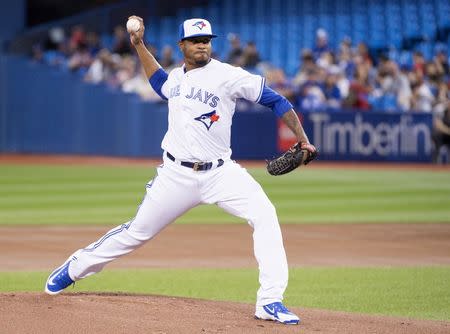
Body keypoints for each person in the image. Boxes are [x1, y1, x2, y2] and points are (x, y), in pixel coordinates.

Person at [44, 16, 317, 326]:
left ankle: (270, 300)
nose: (202, 44)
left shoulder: (229, 76)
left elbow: (276, 100)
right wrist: (138, 45)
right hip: (175, 175)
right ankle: (76, 266)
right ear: (182, 45)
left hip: (220, 173)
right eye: (196, 40)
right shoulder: (176, 78)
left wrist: (303, 139)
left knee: (265, 214)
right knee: (136, 233)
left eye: (207, 40)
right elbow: (159, 83)